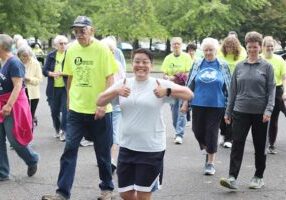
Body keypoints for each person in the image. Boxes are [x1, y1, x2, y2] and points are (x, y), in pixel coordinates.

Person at [97, 48, 193, 200]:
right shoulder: (123, 83)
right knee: (125, 193)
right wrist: (116, 92)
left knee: (143, 194)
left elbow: (189, 93)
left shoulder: (158, 83)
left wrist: (167, 91)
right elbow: (100, 100)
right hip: (127, 146)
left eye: (145, 62)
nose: (140, 65)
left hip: (151, 148)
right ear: (131, 63)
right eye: (137, 61)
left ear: (151, 66)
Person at [42, 16, 117, 200]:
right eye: (76, 31)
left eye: (83, 30)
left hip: (99, 111)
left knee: (103, 153)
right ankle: (62, 193)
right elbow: (70, 77)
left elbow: (110, 79)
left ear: (92, 30)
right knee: (69, 149)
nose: (79, 34)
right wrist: (68, 101)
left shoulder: (102, 49)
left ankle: (107, 189)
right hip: (76, 109)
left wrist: (103, 103)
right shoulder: (72, 49)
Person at [220, 31, 275, 190]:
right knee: (237, 144)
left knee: (259, 146)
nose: (252, 50)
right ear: (246, 46)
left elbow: (271, 90)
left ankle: (258, 176)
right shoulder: (239, 66)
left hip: (261, 114)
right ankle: (232, 177)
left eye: (255, 47)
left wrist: (269, 110)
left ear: (260, 48)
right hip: (240, 111)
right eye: (250, 47)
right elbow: (232, 91)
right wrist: (228, 111)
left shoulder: (267, 67)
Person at [182, 37, 231, 175]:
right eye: (206, 50)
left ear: (216, 50)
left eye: (211, 50)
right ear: (202, 51)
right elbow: (190, 84)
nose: (208, 52)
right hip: (198, 103)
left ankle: (210, 163)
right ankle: (208, 147)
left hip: (217, 105)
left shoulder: (223, 65)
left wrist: (229, 108)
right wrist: (185, 102)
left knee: (212, 132)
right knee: (197, 130)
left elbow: (229, 86)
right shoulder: (197, 63)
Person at [0, 34, 39, 181]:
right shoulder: (2, 61)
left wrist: (9, 105)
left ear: (2, 47)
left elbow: (18, 86)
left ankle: (32, 159)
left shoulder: (14, 63)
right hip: (2, 102)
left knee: (15, 139)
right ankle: (2, 172)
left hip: (13, 104)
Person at [161, 37, 193, 144]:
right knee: (174, 112)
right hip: (171, 88)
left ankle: (179, 134)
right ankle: (177, 129)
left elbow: (188, 73)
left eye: (178, 44)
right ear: (171, 45)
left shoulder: (186, 57)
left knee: (182, 110)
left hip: (182, 87)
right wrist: (169, 78)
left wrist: (178, 76)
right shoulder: (168, 58)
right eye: (174, 44)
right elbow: (164, 74)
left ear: (181, 45)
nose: (176, 46)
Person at [101, 37, 126, 173]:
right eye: (106, 50)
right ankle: (105, 158)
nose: (109, 53)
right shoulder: (98, 64)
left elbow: (124, 82)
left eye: (111, 50)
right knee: (104, 135)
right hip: (102, 105)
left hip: (116, 104)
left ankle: (112, 161)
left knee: (115, 134)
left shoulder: (118, 64)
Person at [218, 36, 246, 148]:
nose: (229, 48)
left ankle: (229, 138)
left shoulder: (241, 54)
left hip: (236, 86)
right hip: (223, 86)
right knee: (221, 112)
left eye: (231, 46)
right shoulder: (220, 54)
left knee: (232, 112)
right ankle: (223, 132)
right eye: (227, 46)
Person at [261, 36, 286, 154]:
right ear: (263, 47)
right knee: (262, 118)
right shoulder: (259, 59)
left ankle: (271, 144)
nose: (270, 48)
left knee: (274, 118)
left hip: (277, 90)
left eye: (272, 46)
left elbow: (284, 77)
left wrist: (285, 91)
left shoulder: (279, 59)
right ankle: (261, 143)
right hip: (261, 91)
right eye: (267, 46)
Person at [43, 35, 68, 142]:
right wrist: (51, 74)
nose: (63, 45)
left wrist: (63, 73)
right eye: (61, 43)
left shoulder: (70, 55)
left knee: (65, 110)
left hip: (65, 88)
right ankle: (57, 129)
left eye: (65, 43)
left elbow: (73, 71)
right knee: (54, 111)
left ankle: (63, 130)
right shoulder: (51, 55)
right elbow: (44, 70)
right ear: (56, 45)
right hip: (53, 89)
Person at [17, 45, 43, 127]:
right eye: (23, 56)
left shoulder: (35, 63)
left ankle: (29, 130)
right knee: (23, 114)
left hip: (33, 93)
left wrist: (29, 79)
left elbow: (39, 79)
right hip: (20, 92)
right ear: (19, 56)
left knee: (31, 114)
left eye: (27, 56)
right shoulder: (16, 63)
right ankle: (24, 129)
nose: (25, 58)